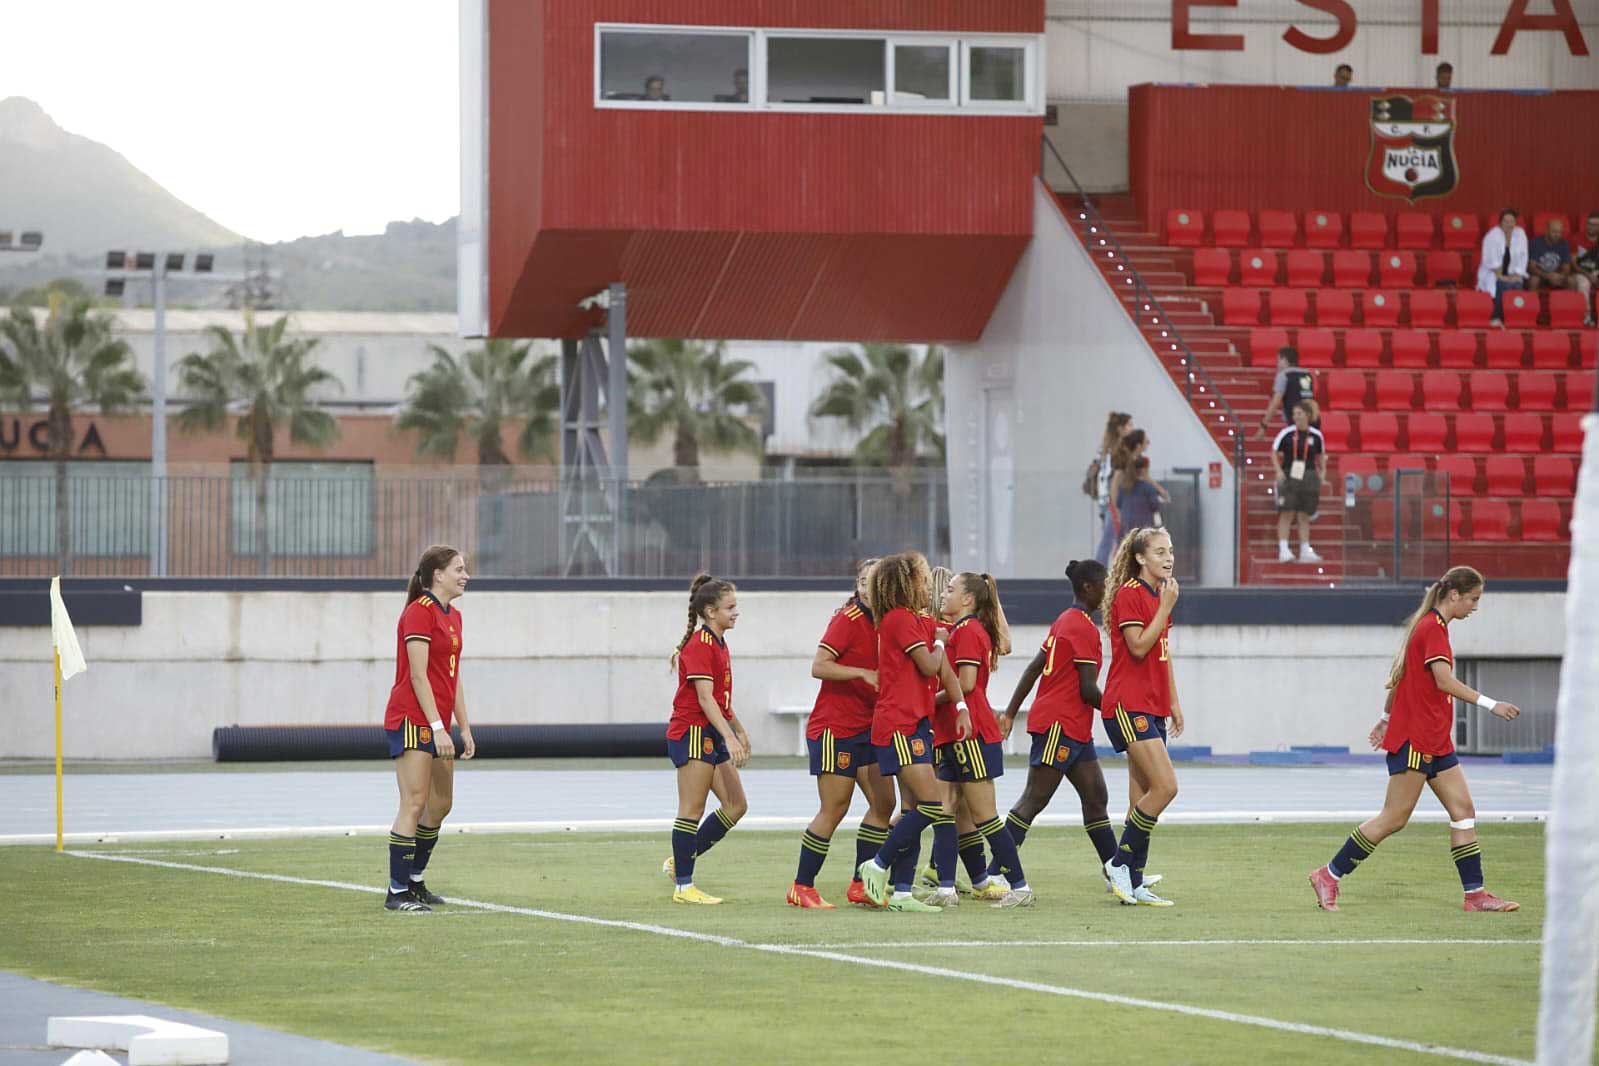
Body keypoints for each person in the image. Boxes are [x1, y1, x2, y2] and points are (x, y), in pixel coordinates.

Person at [1309, 567, 1523, 913]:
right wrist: (1490, 704)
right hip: (1417, 741)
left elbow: (1401, 678)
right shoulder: (1432, 629)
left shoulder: (1431, 629)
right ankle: (1328, 875)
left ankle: (1475, 895)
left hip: (1435, 740)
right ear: (1454, 595)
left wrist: (1384, 719)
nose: (1475, 607)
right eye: (1473, 599)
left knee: (1464, 810)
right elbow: (1443, 681)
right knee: (1394, 818)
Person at [994, 559, 1163, 896]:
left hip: (1075, 727)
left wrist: (1012, 712)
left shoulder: (1067, 620)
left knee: (1096, 797)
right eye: (1104, 583)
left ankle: (1115, 870)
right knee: (1034, 799)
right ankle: (996, 871)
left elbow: (1034, 668)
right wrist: (1120, 708)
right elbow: (1087, 689)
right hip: (1059, 723)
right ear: (1088, 587)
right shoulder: (1082, 627)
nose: (1107, 590)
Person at [856, 552, 971, 913]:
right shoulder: (898, 620)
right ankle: (876, 865)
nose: (928, 586)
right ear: (907, 584)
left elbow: (945, 672)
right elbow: (929, 664)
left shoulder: (915, 620)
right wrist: (939, 640)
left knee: (911, 809)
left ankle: (902, 893)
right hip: (900, 725)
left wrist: (961, 707)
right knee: (932, 805)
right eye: (922, 579)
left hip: (916, 724)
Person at [788, 559, 897, 909]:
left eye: (875, 580)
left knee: (884, 804)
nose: (869, 586)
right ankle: (802, 886)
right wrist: (862, 674)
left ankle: (860, 883)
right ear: (858, 586)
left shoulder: (890, 620)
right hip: (837, 729)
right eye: (864, 580)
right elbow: (819, 666)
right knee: (835, 807)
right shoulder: (847, 619)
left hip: (871, 727)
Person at [925, 572, 1035, 908]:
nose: (943, 594)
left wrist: (925, 701)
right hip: (953, 734)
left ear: (968, 599)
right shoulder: (958, 630)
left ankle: (1020, 887)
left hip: (970, 733)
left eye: (950, 589)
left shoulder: (970, 631)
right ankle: (945, 889)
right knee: (944, 810)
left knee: (985, 815)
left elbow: (968, 683)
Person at [383, 545, 476, 913]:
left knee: (440, 804)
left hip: (437, 723)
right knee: (415, 802)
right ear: (437, 574)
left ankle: (415, 880)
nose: (465, 575)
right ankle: (396, 892)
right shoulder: (418, 614)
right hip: (412, 719)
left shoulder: (454, 616)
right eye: (459, 568)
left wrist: (464, 728)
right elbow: (419, 677)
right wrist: (438, 727)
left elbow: (451, 679)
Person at [1100, 527, 1184, 907]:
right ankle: (1118, 864)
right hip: (1127, 704)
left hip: (1151, 705)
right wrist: (1165, 608)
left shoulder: (1158, 594)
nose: (1167, 558)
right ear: (1139, 558)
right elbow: (1137, 647)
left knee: (1140, 798)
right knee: (1165, 787)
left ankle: (1133, 880)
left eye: (1170, 551)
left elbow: (1162, 654)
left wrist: (1174, 704)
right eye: (1159, 552)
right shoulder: (1130, 594)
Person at [663, 573, 751, 904]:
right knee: (691, 809)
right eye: (730, 607)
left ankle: (680, 860)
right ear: (711, 611)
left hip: (711, 733)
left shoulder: (718, 643)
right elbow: (704, 699)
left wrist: (739, 729)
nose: (735, 612)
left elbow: (720, 700)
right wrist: (730, 737)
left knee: (736, 805)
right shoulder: (700, 645)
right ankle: (684, 886)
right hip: (693, 733)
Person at [1272, 399, 1327, 563]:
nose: (1295, 417)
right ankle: (1283, 549)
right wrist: (1278, 471)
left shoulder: (1316, 435)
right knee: (1287, 512)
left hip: (1309, 475)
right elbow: (1274, 452)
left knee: (1304, 513)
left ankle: (1305, 549)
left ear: (1308, 415)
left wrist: (1322, 472)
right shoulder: (1286, 433)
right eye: (1294, 414)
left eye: (1299, 413)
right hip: (1290, 474)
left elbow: (1321, 455)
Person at [1088, 411, 1134, 565]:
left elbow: (1096, 468)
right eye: (1128, 425)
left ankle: (1106, 572)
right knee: (1110, 538)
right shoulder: (1119, 449)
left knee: (1111, 536)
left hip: (1103, 497)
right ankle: (1098, 574)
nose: (1131, 428)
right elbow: (1116, 476)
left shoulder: (1104, 447)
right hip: (1113, 498)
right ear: (1120, 428)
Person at [1476, 208, 1528, 327]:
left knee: (1517, 284)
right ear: (1500, 222)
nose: (1509, 224)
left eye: (1512, 221)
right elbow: (1490, 260)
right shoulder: (1492, 235)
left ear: (1515, 223)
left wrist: (1516, 275)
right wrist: (1502, 277)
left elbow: (1523, 256)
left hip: (1511, 273)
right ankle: (1496, 317)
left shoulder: (1520, 234)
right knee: (1501, 284)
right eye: (1506, 221)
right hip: (1493, 272)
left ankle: (1512, 318)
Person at [1256, 346, 1316, 437]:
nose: (1277, 364)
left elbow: (1275, 402)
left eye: (1278, 360)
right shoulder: (1307, 375)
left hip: (1294, 424)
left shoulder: (1284, 375)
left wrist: (1264, 425)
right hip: (1311, 423)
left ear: (1285, 360)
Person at [1527, 218, 1590, 303]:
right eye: (1554, 232)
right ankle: (1532, 308)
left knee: (1571, 281)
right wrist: (1548, 276)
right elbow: (1531, 267)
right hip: (1541, 275)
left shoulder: (1564, 244)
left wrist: (1560, 276)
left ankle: (1567, 310)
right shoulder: (1535, 243)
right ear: (1546, 231)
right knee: (1534, 280)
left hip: (1557, 275)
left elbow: (1566, 267)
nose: (1557, 234)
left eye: (1560, 232)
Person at [1117, 456, 1165, 533]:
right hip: (1144, 528)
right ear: (1145, 470)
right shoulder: (1148, 487)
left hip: (1126, 527)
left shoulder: (1123, 487)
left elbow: (1118, 504)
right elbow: (1156, 506)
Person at [1577, 212, 1599, 325]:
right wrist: (1588, 275)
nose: (1591, 227)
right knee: (1583, 283)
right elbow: (1573, 263)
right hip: (1581, 271)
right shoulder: (1577, 238)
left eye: (1595, 225)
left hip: (1596, 271)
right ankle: (1587, 317)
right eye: (1589, 224)